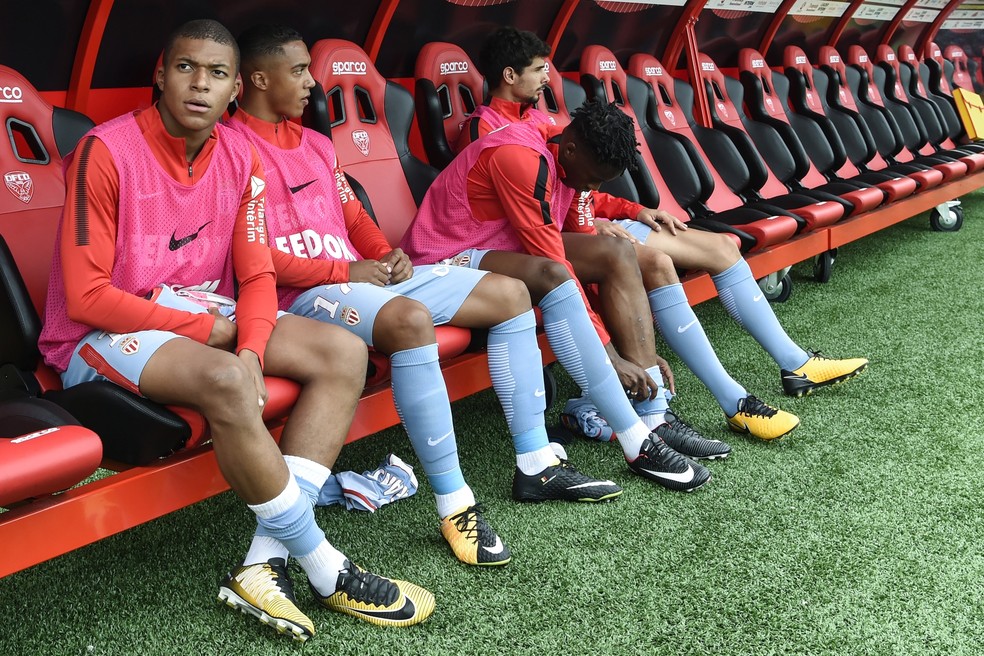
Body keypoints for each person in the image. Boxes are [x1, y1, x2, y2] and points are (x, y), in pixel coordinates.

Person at [37, 19, 433, 643]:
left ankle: (261, 560)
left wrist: (250, 346)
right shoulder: (106, 150)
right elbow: (88, 298)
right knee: (225, 377)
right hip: (101, 336)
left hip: (208, 315)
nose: (199, 84)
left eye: (216, 74)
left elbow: (255, 277)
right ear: (160, 76)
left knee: (341, 352)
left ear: (232, 92)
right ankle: (326, 567)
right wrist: (219, 338)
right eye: (186, 68)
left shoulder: (239, 154)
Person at [228, 24, 624, 569]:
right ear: (256, 78)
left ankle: (535, 462)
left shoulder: (317, 144)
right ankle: (455, 502)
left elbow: (353, 215)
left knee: (512, 294)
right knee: (412, 320)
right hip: (300, 295)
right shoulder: (229, 148)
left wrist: (386, 253)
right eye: (298, 73)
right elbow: (246, 257)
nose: (310, 87)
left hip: (360, 276)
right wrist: (348, 265)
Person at [455, 26, 868, 442]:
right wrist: (589, 228)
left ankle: (790, 364)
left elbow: (578, 189)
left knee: (722, 245)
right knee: (650, 260)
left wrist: (633, 209)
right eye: (540, 69)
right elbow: (525, 213)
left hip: (579, 226)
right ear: (509, 75)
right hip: (535, 243)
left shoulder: (541, 122)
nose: (548, 77)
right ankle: (719, 400)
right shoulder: (488, 132)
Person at [400, 97, 718, 493]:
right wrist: (608, 354)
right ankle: (637, 442)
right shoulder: (520, 156)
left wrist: (630, 347)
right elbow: (555, 267)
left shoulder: (565, 149)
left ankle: (653, 414)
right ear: (571, 150)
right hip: (445, 260)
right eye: (594, 178)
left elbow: (582, 253)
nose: (594, 188)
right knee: (552, 274)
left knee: (616, 253)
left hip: (500, 254)